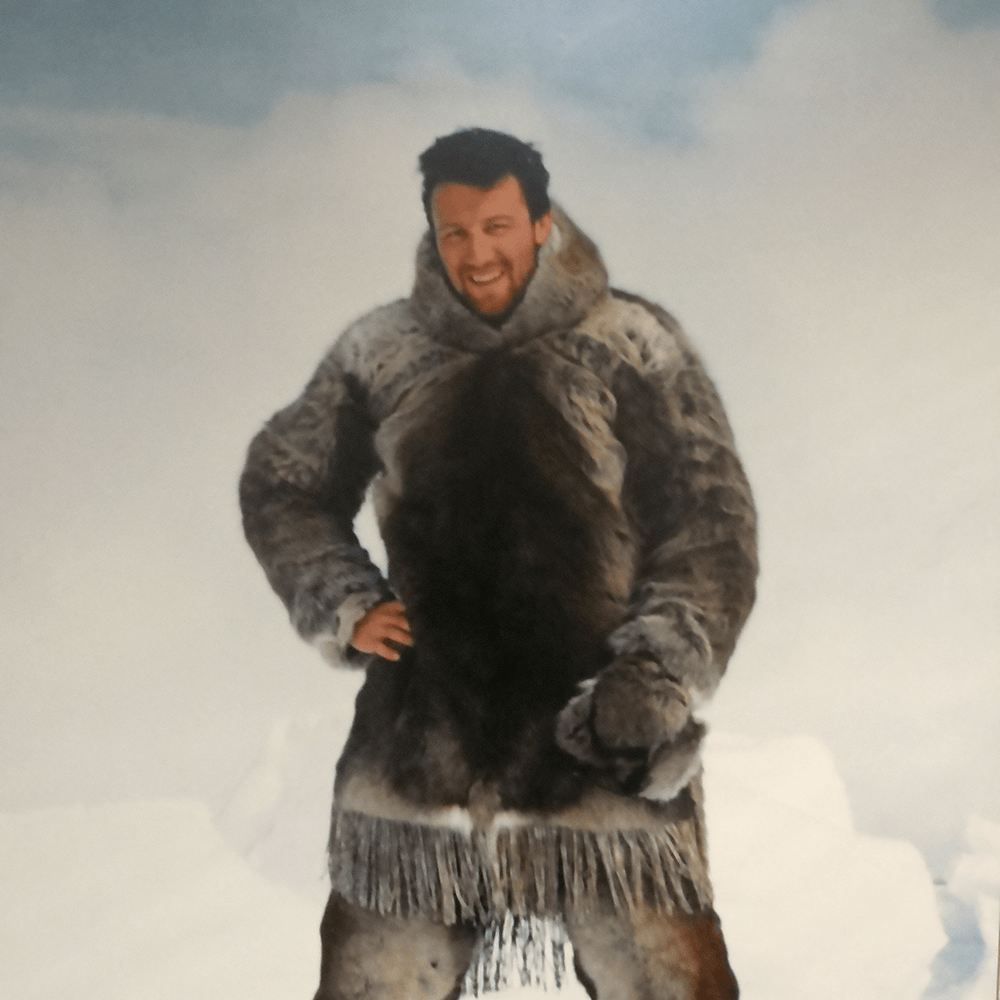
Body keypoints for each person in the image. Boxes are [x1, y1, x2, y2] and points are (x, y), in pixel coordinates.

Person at [240, 127, 757, 999]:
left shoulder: (631, 341)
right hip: (418, 766)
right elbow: (283, 482)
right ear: (433, 234)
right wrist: (342, 598)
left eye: (497, 226)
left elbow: (709, 521)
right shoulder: (382, 351)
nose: (476, 253)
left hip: (601, 757)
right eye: (455, 232)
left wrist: (657, 669)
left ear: (541, 221)